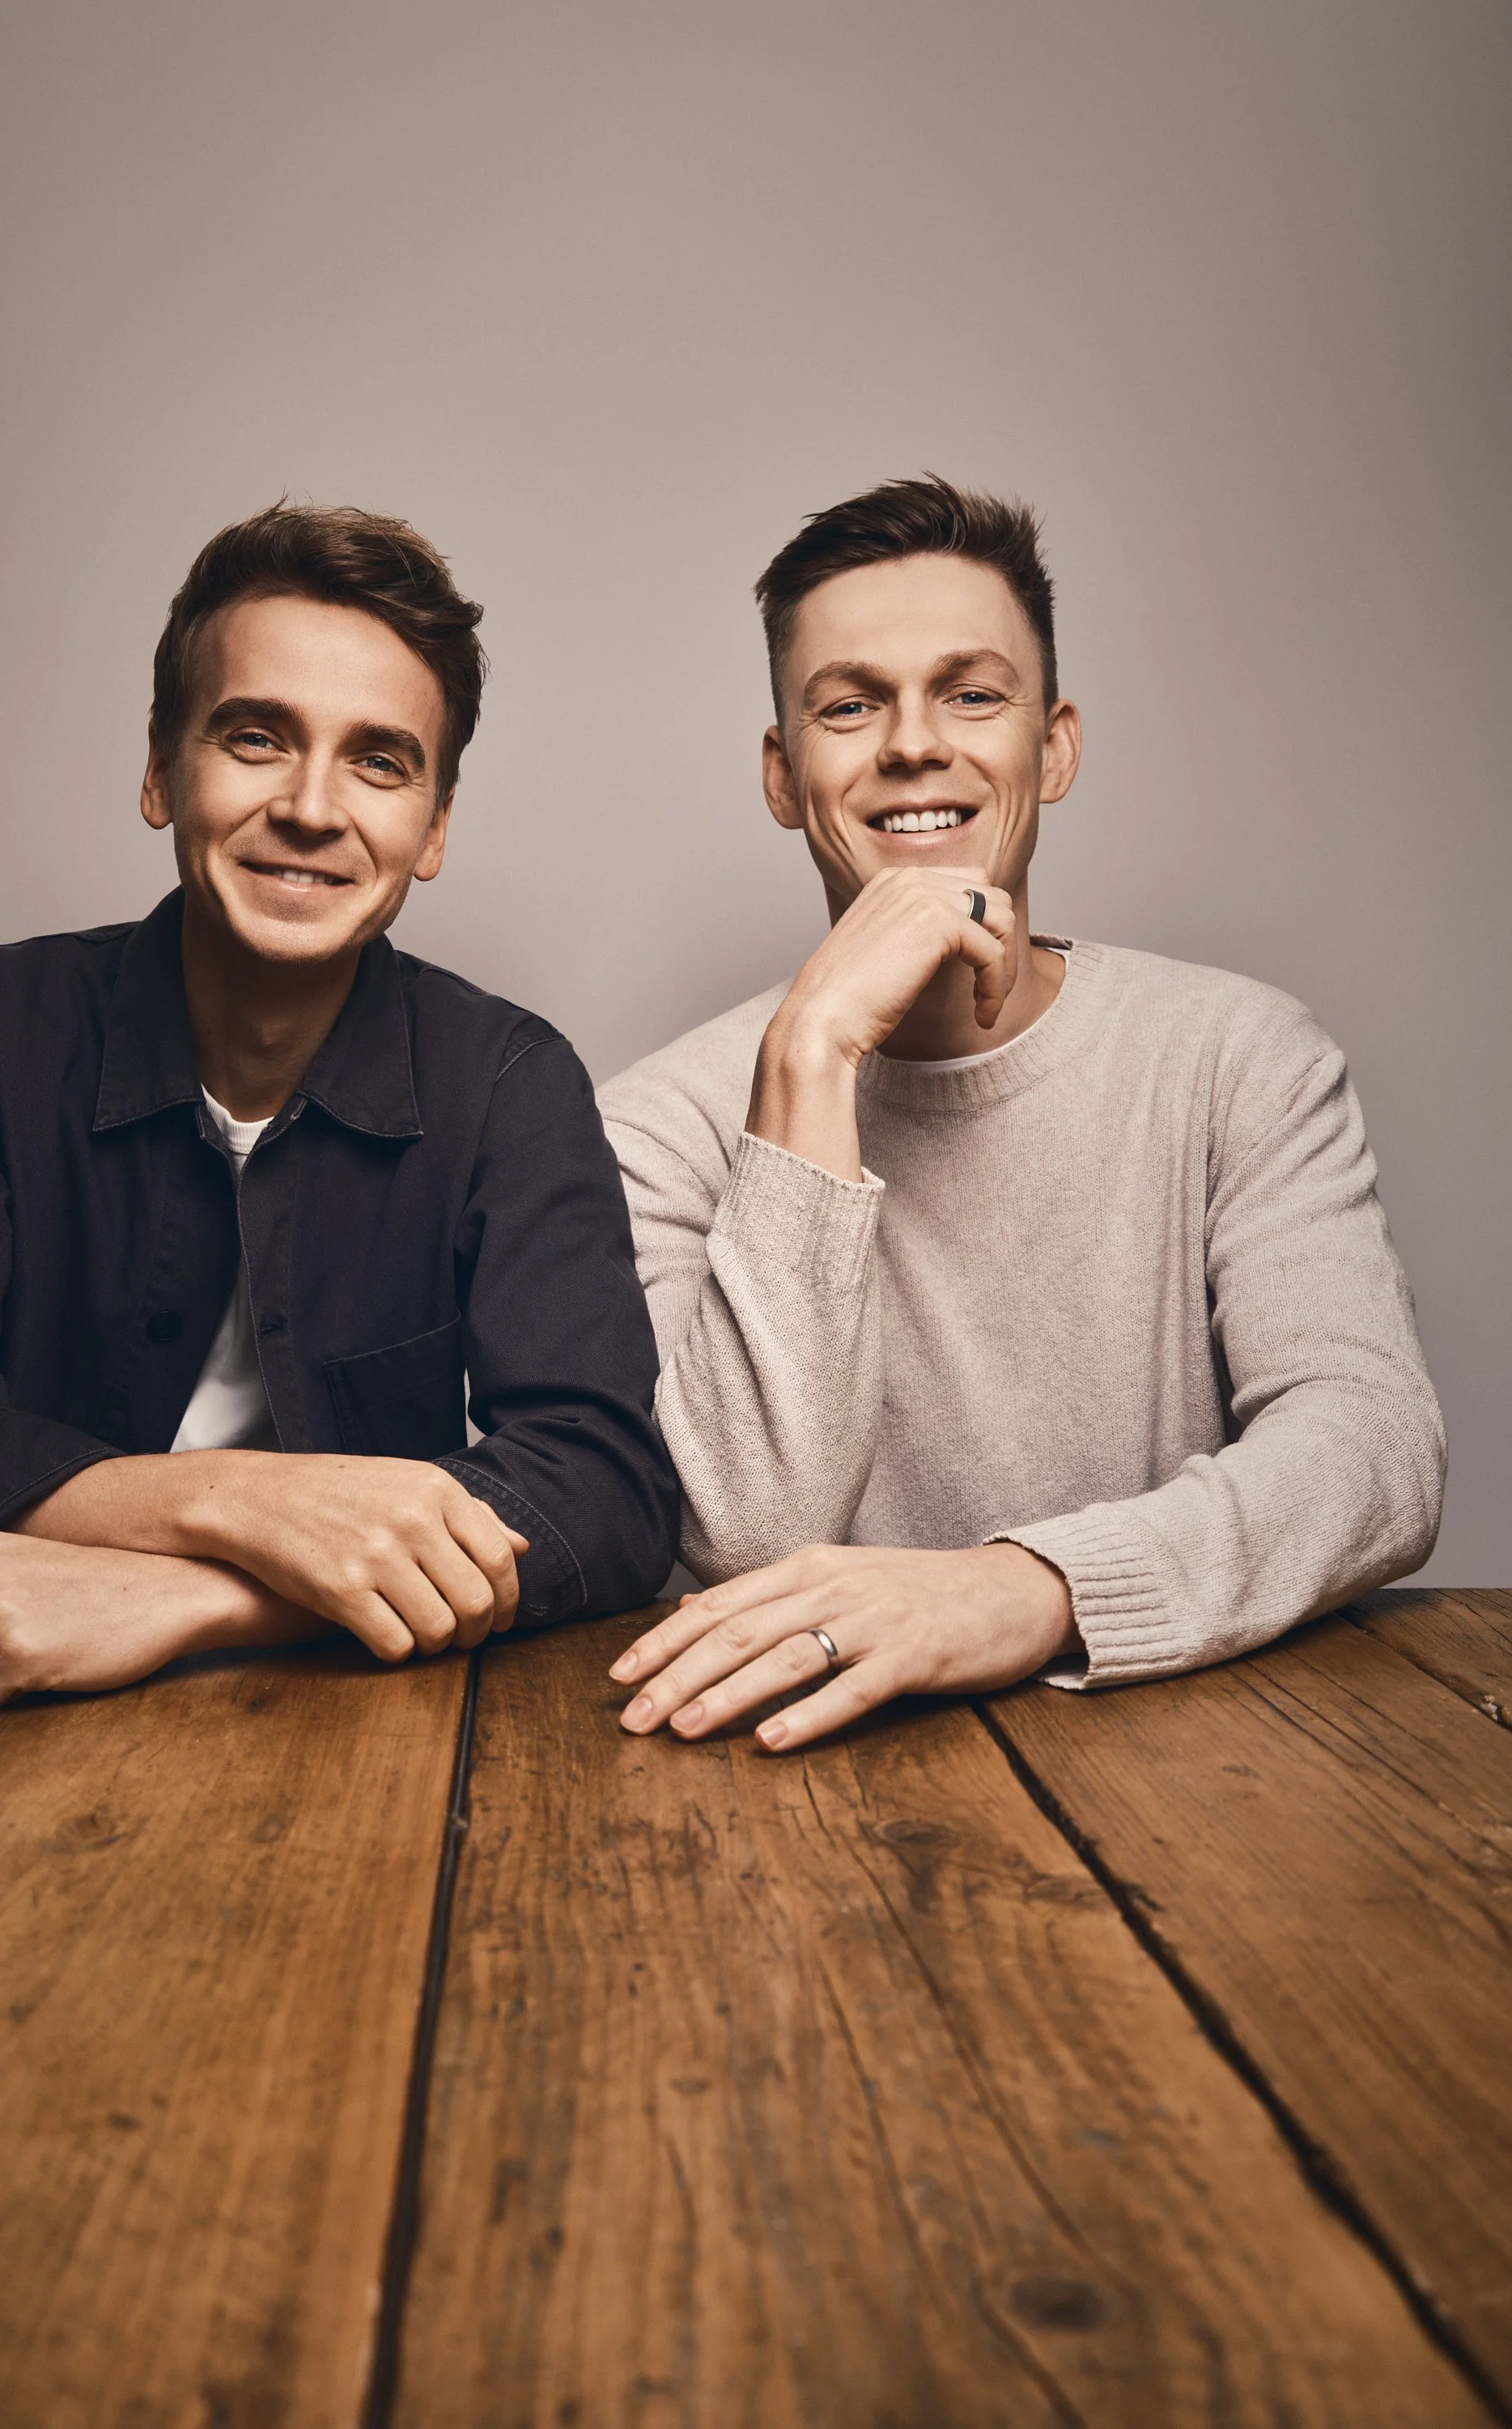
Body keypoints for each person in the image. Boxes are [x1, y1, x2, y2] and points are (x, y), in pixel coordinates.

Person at [0, 504, 677, 1708]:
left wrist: (195, 1600)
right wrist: (251, 1502)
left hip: (358, 1732)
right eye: (255, 737)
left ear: (434, 826)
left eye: (379, 761)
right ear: (159, 768)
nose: (310, 806)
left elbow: (600, 1487)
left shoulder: (508, 1081)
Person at [597, 474, 1442, 1753]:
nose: (912, 745)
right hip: (796, 1789)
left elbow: (1374, 1450)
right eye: (849, 705)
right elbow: (743, 1536)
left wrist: (1021, 1589)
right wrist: (814, 1055)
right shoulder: (654, 1125)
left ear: (1051, 747)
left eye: (970, 694)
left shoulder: (1237, 1058)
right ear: (783, 776)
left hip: (1200, 1767)